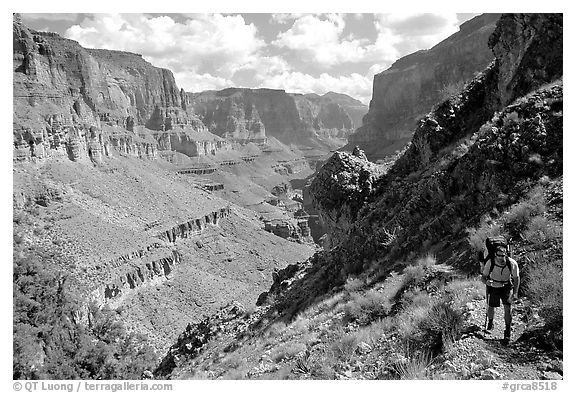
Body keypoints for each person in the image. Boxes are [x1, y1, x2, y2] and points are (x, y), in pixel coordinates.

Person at [481, 244, 520, 344]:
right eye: (499, 255)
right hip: (494, 285)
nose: (501, 258)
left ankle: (507, 331)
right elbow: (483, 277)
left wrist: (515, 293)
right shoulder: (490, 262)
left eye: (503, 256)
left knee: (508, 307)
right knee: (491, 306)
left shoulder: (511, 263)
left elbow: (516, 278)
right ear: (495, 255)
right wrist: (487, 282)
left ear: (506, 255)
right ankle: (490, 323)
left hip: (506, 286)